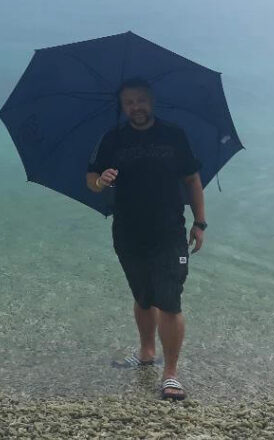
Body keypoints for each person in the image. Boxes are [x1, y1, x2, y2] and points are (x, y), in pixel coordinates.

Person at [86, 77, 207, 401]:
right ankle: (145, 352)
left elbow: (192, 179)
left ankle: (170, 375)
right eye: (129, 102)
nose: (135, 107)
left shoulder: (173, 135)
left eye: (141, 100)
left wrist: (200, 223)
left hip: (169, 232)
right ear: (122, 106)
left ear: (151, 101)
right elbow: (91, 178)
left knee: (169, 300)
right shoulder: (113, 139)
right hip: (128, 230)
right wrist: (102, 181)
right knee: (143, 297)